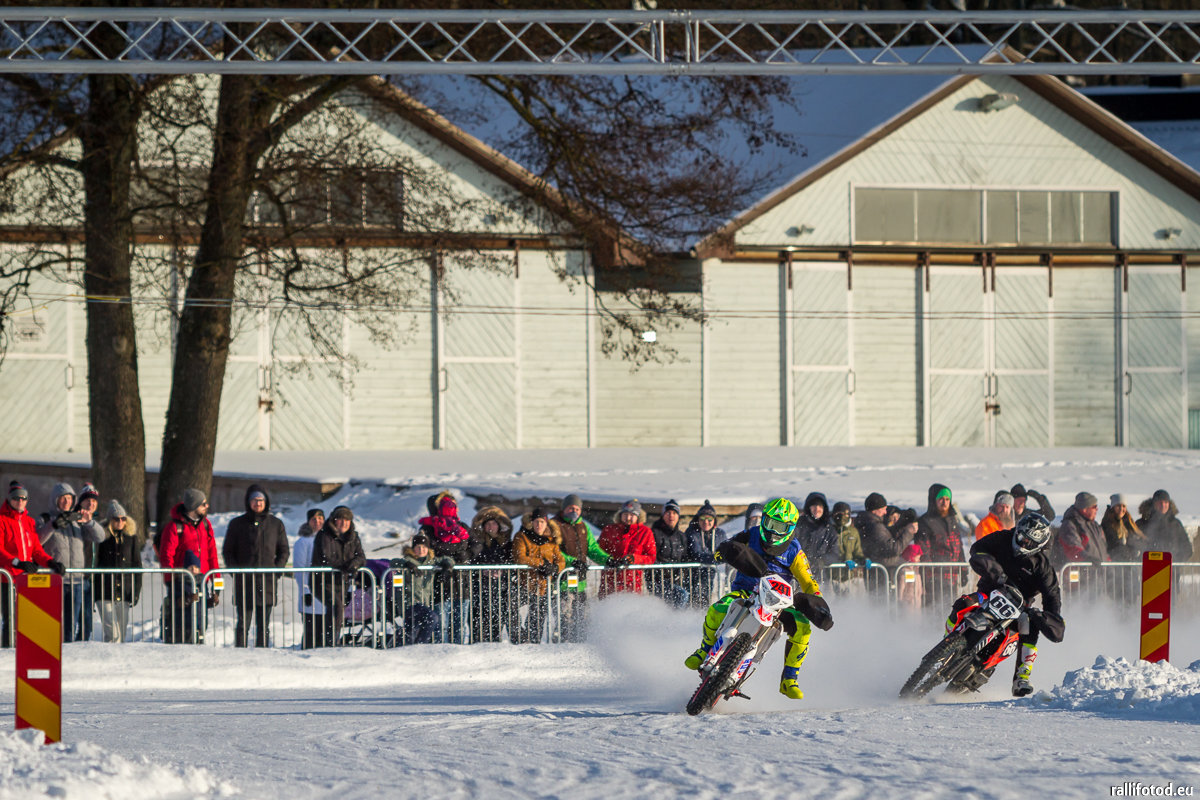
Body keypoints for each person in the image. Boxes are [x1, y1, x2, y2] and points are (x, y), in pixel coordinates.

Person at [683, 498, 831, 700]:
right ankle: (703, 651)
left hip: (777, 601)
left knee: (803, 628)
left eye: (780, 527)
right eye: (770, 523)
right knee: (717, 609)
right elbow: (730, 544)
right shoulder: (751, 534)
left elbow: (808, 581)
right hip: (745, 592)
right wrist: (722, 552)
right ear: (763, 520)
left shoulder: (795, 551)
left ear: (789, 528)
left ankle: (789, 679)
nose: (773, 531)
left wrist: (817, 602)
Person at [946, 513, 1064, 697]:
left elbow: (1052, 597)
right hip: (988, 592)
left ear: (1038, 544)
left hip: (1018, 609)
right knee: (963, 602)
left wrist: (1046, 617)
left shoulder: (1043, 566)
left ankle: (1022, 677)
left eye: (1028, 540)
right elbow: (978, 548)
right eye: (1020, 535)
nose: (1022, 541)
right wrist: (994, 571)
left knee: (1029, 624)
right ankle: (946, 641)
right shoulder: (1004, 537)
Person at [222, 485, 290, 648]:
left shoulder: (276, 524)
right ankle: (240, 652)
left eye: (260, 500)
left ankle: (262, 653)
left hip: (266, 583)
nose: (257, 503)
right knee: (242, 624)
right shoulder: (237, 524)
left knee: (263, 626)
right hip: (244, 583)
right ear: (248, 502)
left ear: (266, 502)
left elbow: (284, 551)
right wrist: (236, 572)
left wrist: (276, 571)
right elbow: (228, 551)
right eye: (254, 500)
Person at [37, 482, 107, 641]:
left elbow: (100, 537)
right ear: (55, 499)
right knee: (53, 623)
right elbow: (37, 540)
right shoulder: (45, 519)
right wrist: (53, 525)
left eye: (69, 498)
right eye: (63, 498)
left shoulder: (76, 521)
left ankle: (69, 653)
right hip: (54, 581)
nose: (67, 501)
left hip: (76, 581)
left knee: (71, 625)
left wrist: (89, 522)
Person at [0, 482, 61, 647]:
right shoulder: (2, 520)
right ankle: (8, 652)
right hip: (8, 580)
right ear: (9, 499)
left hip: (27, 580)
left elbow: (36, 550)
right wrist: (17, 562)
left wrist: (51, 562)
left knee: (28, 619)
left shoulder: (29, 522)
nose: (20, 501)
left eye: (23, 498)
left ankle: (27, 651)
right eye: (16, 498)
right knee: (10, 620)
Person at [158, 488, 221, 644]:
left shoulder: (205, 525)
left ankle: (198, 643)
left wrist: (217, 584)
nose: (207, 506)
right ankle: (181, 646)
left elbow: (212, 555)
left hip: (202, 579)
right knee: (183, 620)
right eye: (203, 504)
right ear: (194, 506)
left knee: (201, 620)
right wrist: (170, 580)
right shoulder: (175, 527)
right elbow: (166, 556)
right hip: (181, 582)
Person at [419, 492, 477, 644]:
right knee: (441, 625)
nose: (454, 508)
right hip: (439, 582)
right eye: (449, 505)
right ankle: (441, 652)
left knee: (460, 625)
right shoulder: (429, 528)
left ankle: (459, 652)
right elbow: (434, 547)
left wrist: (467, 554)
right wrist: (458, 551)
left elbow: (477, 544)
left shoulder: (462, 527)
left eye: (454, 505)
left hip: (461, 583)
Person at [553, 495, 608, 643]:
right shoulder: (555, 525)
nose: (574, 511)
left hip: (580, 581)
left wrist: (607, 559)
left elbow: (593, 549)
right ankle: (561, 645)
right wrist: (572, 561)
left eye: (577, 509)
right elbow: (553, 551)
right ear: (564, 509)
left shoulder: (583, 526)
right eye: (571, 508)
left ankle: (580, 645)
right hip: (562, 580)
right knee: (564, 617)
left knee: (582, 616)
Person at [311, 505, 366, 648]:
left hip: (342, 582)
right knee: (335, 606)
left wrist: (355, 563)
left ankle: (331, 639)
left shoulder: (353, 536)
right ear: (334, 520)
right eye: (341, 520)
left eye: (347, 520)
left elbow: (361, 556)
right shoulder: (324, 535)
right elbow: (326, 558)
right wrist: (346, 565)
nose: (344, 523)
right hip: (323, 581)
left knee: (339, 609)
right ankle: (331, 641)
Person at [510, 508, 565, 644]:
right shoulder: (522, 536)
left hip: (543, 587)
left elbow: (560, 560)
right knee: (509, 607)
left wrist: (555, 568)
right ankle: (519, 636)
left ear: (546, 523)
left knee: (537, 623)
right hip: (524, 583)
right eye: (536, 522)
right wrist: (542, 564)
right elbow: (520, 558)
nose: (539, 525)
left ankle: (534, 645)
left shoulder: (552, 540)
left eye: (541, 522)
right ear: (531, 522)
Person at [95, 500, 142, 643]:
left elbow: (137, 567)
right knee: (112, 635)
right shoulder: (102, 539)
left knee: (121, 633)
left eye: (123, 518)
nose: (120, 522)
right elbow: (95, 563)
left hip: (124, 590)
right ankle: (110, 656)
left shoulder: (131, 539)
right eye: (116, 519)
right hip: (104, 590)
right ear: (110, 520)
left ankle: (118, 657)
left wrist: (135, 592)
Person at [914, 484, 968, 608]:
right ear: (934, 500)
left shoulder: (952, 520)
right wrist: (929, 578)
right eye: (941, 499)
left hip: (952, 577)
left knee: (950, 610)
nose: (944, 503)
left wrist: (964, 571)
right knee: (933, 611)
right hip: (935, 578)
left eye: (947, 499)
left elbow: (958, 547)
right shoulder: (926, 521)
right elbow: (924, 551)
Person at [469, 505, 515, 643]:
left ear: (499, 526)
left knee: (497, 622)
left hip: (501, 589)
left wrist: (503, 572)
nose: (490, 526)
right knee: (478, 623)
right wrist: (482, 570)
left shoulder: (507, 544)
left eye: (494, 523)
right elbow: (472, 561)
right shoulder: (478, 543)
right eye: (487, 523)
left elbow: (512, 563)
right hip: (480, 589)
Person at [597, 500, 656, 598]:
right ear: (620, 515)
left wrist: (634, 559)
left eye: (632, 515)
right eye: (625, 514)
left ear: (638, 516)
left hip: (632, 583)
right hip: (610, 582)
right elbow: (598, 552)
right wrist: (608, 560)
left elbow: (651, 557)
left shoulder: (646, 532)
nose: (628, 518)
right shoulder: (608, 530)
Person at [398, 532, 448, 644]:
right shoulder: (408, 560)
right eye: (418, 547)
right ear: (413, 549)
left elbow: (447, 559)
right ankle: (421, 646)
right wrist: (406, 564)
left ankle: (407, 649)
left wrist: (447, 566)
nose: (421, 550)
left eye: (424, 547)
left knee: (412, 633)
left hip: (424, 603)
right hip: (410, 603)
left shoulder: (431, 561)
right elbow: (394, 562)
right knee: (432, 618)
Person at [856, 492, 911, 580]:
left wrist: (900, 526)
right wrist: (909, 532)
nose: (885, 512)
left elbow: (885, 536)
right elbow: (894, 549)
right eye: (883, 509)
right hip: (883, 573)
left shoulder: (867, 523)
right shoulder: (875, 526)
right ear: (874, 510)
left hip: (878, 572)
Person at [292, 509, 324, 649]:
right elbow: (300, 569)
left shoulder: (328, 540)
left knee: (324, 630)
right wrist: (305, 591)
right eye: (313, 519)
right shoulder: (303, 542)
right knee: (311, 631)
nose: (317, 521)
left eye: (320, 518)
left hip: (326, 592)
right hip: (310, 593)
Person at [651, 499, 692, 606]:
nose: (671, 516)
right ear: (663, 515)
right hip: (657, 580)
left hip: (675, 580)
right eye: (668, 513)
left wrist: (682, 574)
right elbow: (652, 556)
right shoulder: (655, 533)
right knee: (682, 595)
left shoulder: (681, 536)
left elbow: (685, 557)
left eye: (674, 513)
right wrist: (662, 572)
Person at [1138, 490, 1193, 561]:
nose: (1163, 505)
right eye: (1160, 502)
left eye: (1165, 502)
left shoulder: (1175, 524)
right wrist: (1142, 560)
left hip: (1171, 566)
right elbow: (1134, 546)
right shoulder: (1143, 523)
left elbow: (1187, 548)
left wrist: (1175, 561)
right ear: (1154, 504)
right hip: (1148, 565)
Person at [1056, 492, 1108, 565]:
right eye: (1094, 506)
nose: (1097, 509)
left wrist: (1109, 565)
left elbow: (1104, 552)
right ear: (1084, 509)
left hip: (1098, 570)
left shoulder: (1095, 526)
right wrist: (1088, 559)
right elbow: (1072, 549)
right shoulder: (1070, 525)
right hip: (1080, 571)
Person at [796, 493, 839, 568]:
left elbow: (835, 554)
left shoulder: (829, 530)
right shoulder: (798, 525)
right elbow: (790, 546)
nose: (817, 509)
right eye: (814, 506)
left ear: (824, 509)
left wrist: (822, 560)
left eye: (820, 506)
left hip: (821, 572)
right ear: (809, 507)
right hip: (798, 570)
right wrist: (800, 558)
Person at [1102, 494, 1145, 562]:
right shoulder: (1107, 524)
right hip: (1117, 561)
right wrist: (1131, 552)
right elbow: (1114, 545)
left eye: (1123, 506)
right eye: (1118, 506)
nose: (1121, 509)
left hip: (1129, 561)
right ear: (1113, 507)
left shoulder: (1129, 522)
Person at [831, 502, 865, 581]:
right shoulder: (828, 530)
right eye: (838, 513)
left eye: (845, 514)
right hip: (830, 576)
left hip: (849, 577)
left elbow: (857, 551)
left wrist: (863, 559)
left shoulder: (853, 532)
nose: (842, 516)